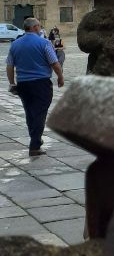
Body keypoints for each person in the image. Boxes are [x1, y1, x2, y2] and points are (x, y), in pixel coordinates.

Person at [5, 17, 64, 156]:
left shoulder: (15, 44)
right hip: (41, 83)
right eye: (39, 25)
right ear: (35, 27)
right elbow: (54, 63)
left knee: (30, 112)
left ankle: (35, 138)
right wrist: (60, 77)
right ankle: (35, 145)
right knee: (39, 113)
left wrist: (12, 83)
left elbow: (9, 66)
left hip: (23, 84)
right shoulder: (43, 43)